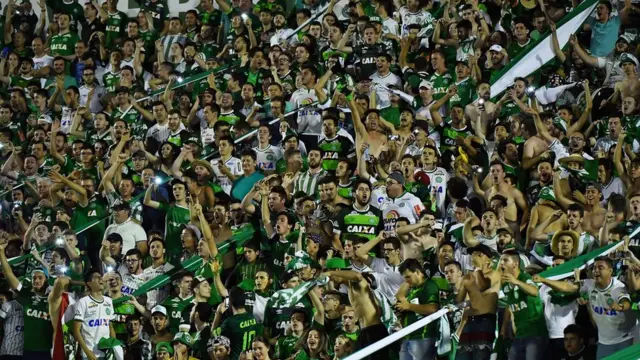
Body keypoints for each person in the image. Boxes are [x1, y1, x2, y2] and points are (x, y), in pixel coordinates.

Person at [71, 269, 117, 360]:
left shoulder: (109, 301)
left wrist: (113, 347)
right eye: (97, 277)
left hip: (106, 353)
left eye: (101, 277)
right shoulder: (83, 302)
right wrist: (88, 353)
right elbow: (76, 330)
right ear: (89, 283)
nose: (101, 279)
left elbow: (110, 327)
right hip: (90, 354)